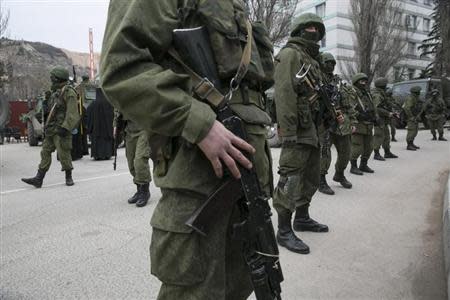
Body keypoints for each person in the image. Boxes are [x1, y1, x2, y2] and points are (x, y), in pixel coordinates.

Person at [100, 1, 275, 298]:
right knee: (196, 290)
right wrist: (199, 123)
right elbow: (122, 69)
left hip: (248, 170)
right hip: (197, 172)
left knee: (243, 282)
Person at [273, 13, 344, 254]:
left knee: (312, 177)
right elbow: (284, 94)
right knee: (291, 178)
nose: (314, 32)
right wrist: (288, 131)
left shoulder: (313, 61)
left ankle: (301, 218)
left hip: (314, 129)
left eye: (317, 28)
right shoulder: (290, 55)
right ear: (299, 30)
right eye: (309, 28)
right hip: (298, 131)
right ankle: (283, 230)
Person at [22, 66, 80, 187]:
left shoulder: (69, 92)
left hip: (61, 129)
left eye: (53, 78)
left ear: (58, 79)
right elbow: (48, 111)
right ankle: (39, 178)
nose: (51, 80)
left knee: (64, 153)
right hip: (51, 129)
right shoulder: (53, 93)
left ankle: (68, 177)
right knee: (45, 152)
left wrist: (65, 127)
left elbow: (72, 113)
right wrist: (43, 106)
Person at [318, 52, 355, 195]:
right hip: (325, 123)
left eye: (333, 63)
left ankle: (339, 174)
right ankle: (321, 180)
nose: (330, 65)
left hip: (341, 123)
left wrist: (352, 120)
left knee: (346, 152)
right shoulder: (317, 80)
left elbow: (348, 104)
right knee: (325, 153)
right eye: (327, 62)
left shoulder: (338, 82)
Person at [113, 112, 151, 208]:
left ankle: (145, 191)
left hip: (144, 128)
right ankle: (139, 189)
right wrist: (115, 126)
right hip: (129, 130)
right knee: (131, 163)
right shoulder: (121, 96)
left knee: (140, 160)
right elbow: (117, 109)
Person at [346, 73, 377, 175]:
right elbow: (350, 107)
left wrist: (374, 117)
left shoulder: (366, 93)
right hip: (358, 124)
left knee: (369, 147)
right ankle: (353, 166)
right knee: (357, 147)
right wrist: (360, 115)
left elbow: (372, 106)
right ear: (356, 82)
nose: (364, 83)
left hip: (368, 124)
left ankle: (363, 165)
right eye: (361, 81)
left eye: (365, 81)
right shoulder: (352, 92)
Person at [371, 78, 398, 160]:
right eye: (385, 84)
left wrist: (392, 112)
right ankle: (376, 154)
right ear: (382, 85)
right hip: (379, 119)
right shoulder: (377, 95)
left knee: (386, 136)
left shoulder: (382, 94)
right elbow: (377, 108)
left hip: (384, 119)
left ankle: (387, 152)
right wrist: (388, 113)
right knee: (378, 136)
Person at [86, 88, 114, 160]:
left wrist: (89, 127)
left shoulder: (93, 104)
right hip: (107, 129)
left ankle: (97, 155)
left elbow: (88, 115)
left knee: (97, 142)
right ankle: (107, 154)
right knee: (106, 142)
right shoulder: (109, 103)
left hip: (96, 129)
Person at [403, 86, 422, 150]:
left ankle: (412, 143)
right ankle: (409, 145)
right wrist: (411, 117)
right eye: (418, 91)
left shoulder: (416, 97)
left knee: (415, 131)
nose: (420, 92)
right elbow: (407, 108)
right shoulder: (410, 98)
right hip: (411, 117)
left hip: (415, 116)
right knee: (411, 130)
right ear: (416, 92)